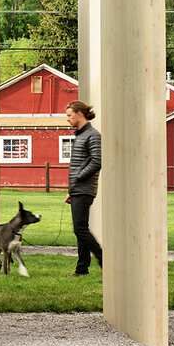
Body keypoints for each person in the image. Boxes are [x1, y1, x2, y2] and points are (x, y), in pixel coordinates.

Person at [66, 100, 102, 276]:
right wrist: (71, 191)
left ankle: (103, 259)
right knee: (81, 229)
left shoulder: (93, 135)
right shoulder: (80, 135)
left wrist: (79, 178)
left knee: (79, 229)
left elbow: (96, 161)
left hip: (85, 188)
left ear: (80, 114)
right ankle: (82, 269)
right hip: (78, 189)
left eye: (69, 115)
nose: (68, 119)